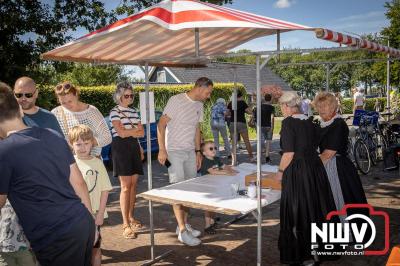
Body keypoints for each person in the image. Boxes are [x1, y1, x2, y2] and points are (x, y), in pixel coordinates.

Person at [0, 82, 95, 266]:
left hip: (54, 236)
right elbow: (79, 183)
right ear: (20, 111)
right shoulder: (53, 135)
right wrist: (93, 224)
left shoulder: (4, 152)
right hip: (82, 223)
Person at [273, 91, 338, 265]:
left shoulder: (288, 123)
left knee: (298, 211)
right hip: (314, 169)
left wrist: (279, 173)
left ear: (286, 106)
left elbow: (288, 154)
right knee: (315, 209)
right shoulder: (312, 122)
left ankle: (302, 253)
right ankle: (318, 250)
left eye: (281, 106)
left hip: (298, 172)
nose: (282, 110)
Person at [158, 77, 213, 246]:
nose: (208, 96)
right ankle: (182, 231)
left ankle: (184, 224)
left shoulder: (199, 105)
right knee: (177, 191)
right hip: (174, 152)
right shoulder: (176, 100)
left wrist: (198, 152)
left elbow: (197, 129)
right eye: (208, 92)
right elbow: (161, 125)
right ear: (198, 87)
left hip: (190, 151)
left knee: (188, 192)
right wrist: (162, 150)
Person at [314, 92, 368, 222]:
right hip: (324, 165)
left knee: (339, 200)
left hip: (336, 168)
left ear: (333, 107)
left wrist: (311, 170)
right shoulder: (320, 123)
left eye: (325, 106)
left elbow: (328, 154)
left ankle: (347, 234)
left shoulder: (338, 124)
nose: (321, 109)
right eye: (319, 106)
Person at [68, 125, 112, 266]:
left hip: (94, 214)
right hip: (75, 215)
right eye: (78, 144)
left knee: (95, 248)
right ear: (71, 144)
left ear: (92, 142)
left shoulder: (98, 163)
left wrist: (100, 214)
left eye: (86, 143)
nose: (82, 147)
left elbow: (105, 190)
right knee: (77, 250)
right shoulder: (69, 164)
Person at [109, 82, 145, 239]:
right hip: (121, 148)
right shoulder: (114, 111)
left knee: (134, 185)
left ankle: (131, 217)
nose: (130, 98)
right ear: (119, 96)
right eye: (127, 95)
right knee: (125, 187)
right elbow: (120, 134)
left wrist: (139, 145)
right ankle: (125, 224)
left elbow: (141, 133)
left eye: (132, 95)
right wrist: (133, 132)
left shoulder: (134, 111)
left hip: (133, 148)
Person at [52, 81, 112, 157]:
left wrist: (86, 144)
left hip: (92, 161)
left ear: (76, 95)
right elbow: (51, 139)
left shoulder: (91, 111)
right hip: (68, 162)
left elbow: (107, 137)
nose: (67, 105)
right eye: (63, 103)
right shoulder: (56, 113)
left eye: (70, 101)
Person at [199, 141, 237, 234]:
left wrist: (232, 170)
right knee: (207, 206)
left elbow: (224, 166)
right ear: (204, 153)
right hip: (207, 186)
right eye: (210, 148)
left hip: (215, 185)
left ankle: (213, 221)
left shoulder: (216, 159)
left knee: (213, 204)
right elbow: (213, 172)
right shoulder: (206, 161)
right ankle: (207, 225)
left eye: (215, 148)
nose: (214, 150)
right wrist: (227, 173)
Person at [227, 91, 254, 160]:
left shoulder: (230, 103)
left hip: (232, 123)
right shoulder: (243, 103)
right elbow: (250, 112)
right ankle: (251, 157)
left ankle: (233, 160)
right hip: (241, 123)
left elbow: (227, 113)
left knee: (234, 143)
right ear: (241, 96)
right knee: (246, 141)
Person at [252, 93, 275, 163]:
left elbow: (254, 117)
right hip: (268, 125)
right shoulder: (272, 108)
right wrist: (272, 127)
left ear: (264, 99)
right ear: (270, 99)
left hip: (260, 126)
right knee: (268, 141)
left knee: (260, 141)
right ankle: (267, 156)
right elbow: (272, 117)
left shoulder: (258, 107)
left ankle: (258, 155)